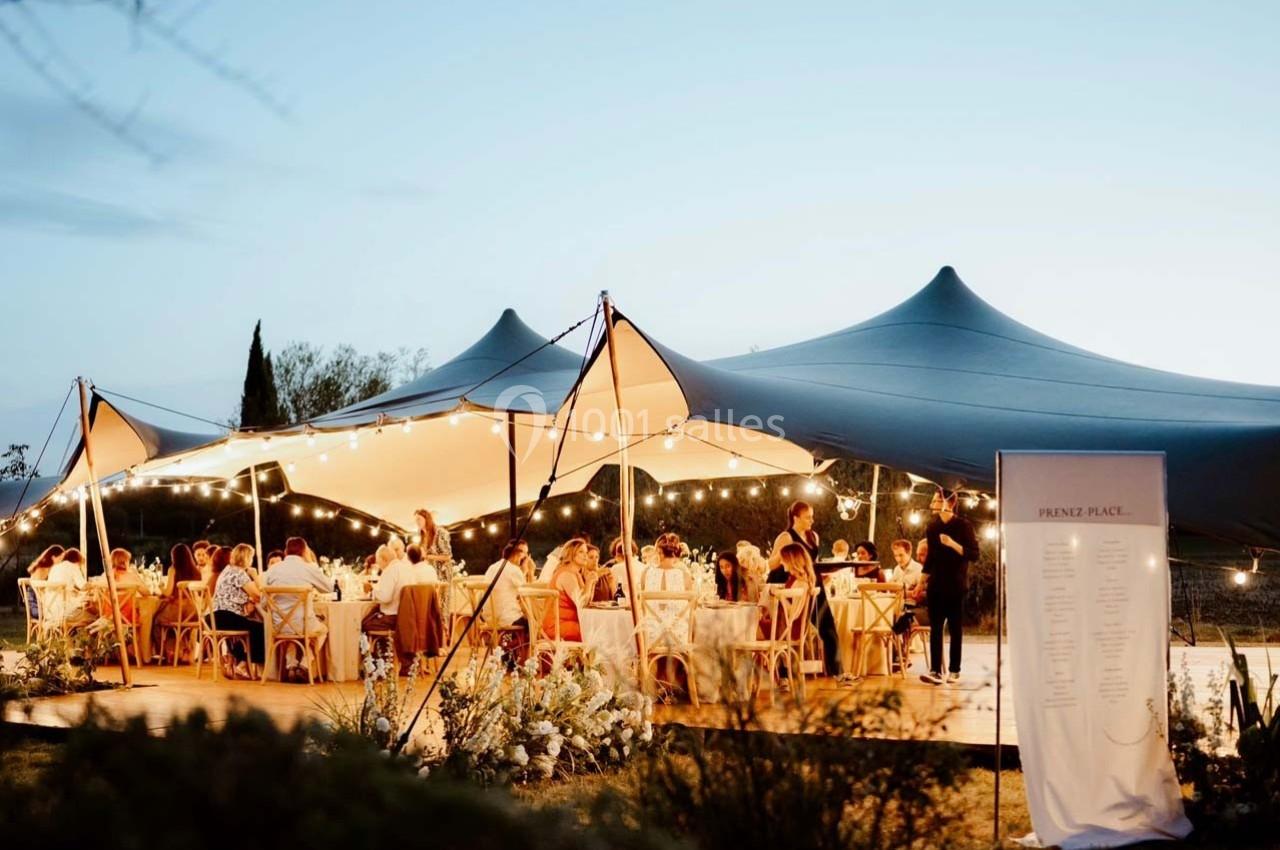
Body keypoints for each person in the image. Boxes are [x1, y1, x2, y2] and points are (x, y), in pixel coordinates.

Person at [769, 501, 836, 673]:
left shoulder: (814, 536)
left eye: (812, 517)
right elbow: (772, 564)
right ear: (795, 518)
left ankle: (836, 670)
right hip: (792, 582)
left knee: (827, 625)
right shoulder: (786, 537)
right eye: (808, 518)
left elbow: (812, 562)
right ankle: (784, 671)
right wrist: (785, 555)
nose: (811, 521)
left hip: (812, 581)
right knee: (788, 627)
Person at [920, 489, 978, 686]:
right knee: (935, 628)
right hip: (936, 584)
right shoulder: (932, 527)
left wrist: (952, 544)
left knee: (955, 628)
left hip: (955, 584)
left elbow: (974, 554)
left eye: (936, 499)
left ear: (949, 503)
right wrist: (921, 582)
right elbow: (930, 558)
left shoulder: (964, 526)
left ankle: (954, 670)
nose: (932, 503)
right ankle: (935, 670)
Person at [262, 538, 330, 661]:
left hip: (279, 627)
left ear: (286, 552)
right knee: (323, 630)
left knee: (291, 634)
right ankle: (305, 663)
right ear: (305, 551)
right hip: (303, 625)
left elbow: (263, 604)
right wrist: (312, 564)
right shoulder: (308, 568)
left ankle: (291, 664)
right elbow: (329, 588)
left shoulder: (272, 570)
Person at [211, 543, 264, 678]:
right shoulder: (240, 573)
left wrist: (249, 600)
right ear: (247, 558)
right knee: (260, 628)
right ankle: (243, 664)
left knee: (248, 625)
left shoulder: (227, 570)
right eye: (251, 557)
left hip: (215, 617)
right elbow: (258, 595)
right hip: (227, 617)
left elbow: (242, 595)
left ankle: (234, 662)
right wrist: (255, 575)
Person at [542, 538, 596, 642]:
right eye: (581, 552)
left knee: (597, 629)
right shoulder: (566, 574)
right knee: (596, 632)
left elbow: (588, 601)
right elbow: (582, 603)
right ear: (571, 553)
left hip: (568, 623)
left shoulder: (575, 574)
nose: (585, 555)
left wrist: (592, 583)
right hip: (557, 626)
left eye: (586, 552)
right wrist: (589, 583)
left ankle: (591, 658)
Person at [155, 543, 201, 637]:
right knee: (181, 627)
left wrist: (160, 587)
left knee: (156, 621)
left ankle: (166, 650)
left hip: (179, 610)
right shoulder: (196, 572)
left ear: (174, 556)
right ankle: (182, 648)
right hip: (194, 612)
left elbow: (167, 593)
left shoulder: (173, 569)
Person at [482, 539, 529, 629]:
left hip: (489, 619)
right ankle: (524, 643)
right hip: (507, 619)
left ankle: (511, 641)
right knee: (534, 621)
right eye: (524, 556)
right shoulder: (514, 570)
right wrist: (526, 572)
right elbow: (526, 594)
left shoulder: (492, 567)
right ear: (518, 555)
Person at [46, 548, 92, 627]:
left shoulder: (55, 568)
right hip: (65, 613)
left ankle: (71, 633)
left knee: (81, 606)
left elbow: (62, 586)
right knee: (93, 616)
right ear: (77, 560)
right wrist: (94, 583)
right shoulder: (73, 566)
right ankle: (82, 635)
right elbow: (84, 586)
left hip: (50, 613)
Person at [25, 544, 65, 619]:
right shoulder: (41, 569)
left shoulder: (50, 569)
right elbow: (38, 591)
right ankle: (59, 629)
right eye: (60, 558)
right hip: (37, 607)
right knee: (63, 613)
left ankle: (58, 629)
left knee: (65, 610)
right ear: (53, 558)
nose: (61, 561)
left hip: (43, 604)